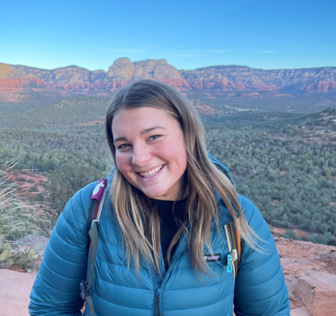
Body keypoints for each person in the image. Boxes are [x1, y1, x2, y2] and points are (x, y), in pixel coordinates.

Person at [29, 79, 290, 316]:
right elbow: (50, 308)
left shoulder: (234, 215)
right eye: (124, 145)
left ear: (188, 134)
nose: (139, 158)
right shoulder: (89, 208)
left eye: (153, 136)